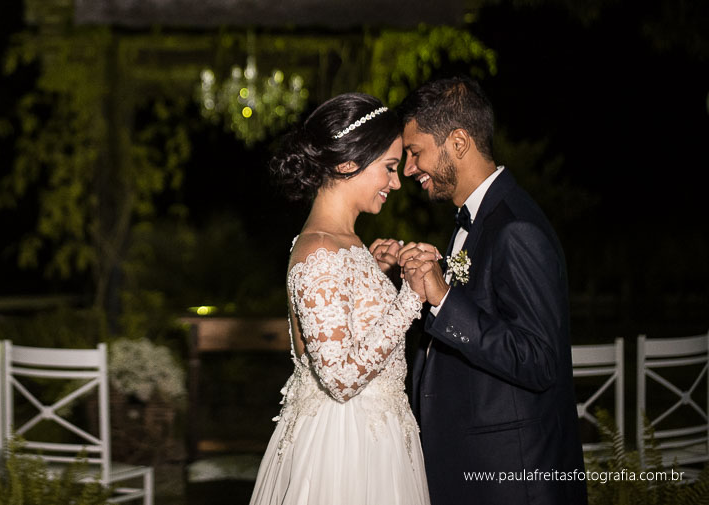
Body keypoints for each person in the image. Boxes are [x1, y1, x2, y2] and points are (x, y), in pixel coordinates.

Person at [395, 77, 587, 505]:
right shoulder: (475, 220)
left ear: (458, 142)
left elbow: (539, 360)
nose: (408, 168)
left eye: (415, 152)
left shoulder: (516, 227)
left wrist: (445, 299)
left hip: (511, 478)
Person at [249, 92, 432, 505]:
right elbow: (339, 379)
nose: (396, 182)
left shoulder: (342, 243)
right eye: (389, 167)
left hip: (375, 436)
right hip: (344, 448)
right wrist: (410, 299)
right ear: (349, 163)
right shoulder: (318, 248)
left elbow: (339, 331)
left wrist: (372, 272)